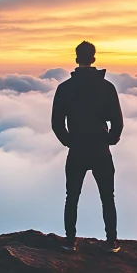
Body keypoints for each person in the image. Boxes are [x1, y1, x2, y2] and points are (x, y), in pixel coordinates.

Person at [52, 41, 124, 252]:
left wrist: (69, 141)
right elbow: (117, 122)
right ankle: (111, 242)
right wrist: (110, 139)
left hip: (77, 150)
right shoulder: (107, 87)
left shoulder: (64, 88)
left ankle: (70, 241)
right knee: (107, 198)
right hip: (101, 150)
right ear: (93, 59)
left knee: (72, 196)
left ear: (76, 59)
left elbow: (57, 123)